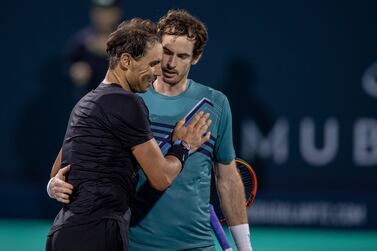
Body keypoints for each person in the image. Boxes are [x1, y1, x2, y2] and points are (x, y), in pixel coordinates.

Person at [49, 9, 253, 250]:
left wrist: (244, 247)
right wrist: (53, 184)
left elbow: (227, 179)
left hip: (196, 244)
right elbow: (71, 158)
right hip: (132, 242)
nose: (169, 64)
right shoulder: (126, 99)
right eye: (165, 53)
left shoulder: (216, 104)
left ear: (195, 58)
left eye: (182, 56)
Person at [66, 0, 123, 100]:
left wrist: (109, 51)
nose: (103, 17)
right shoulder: (81, 42)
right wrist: (76, 72)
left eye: (108, 12)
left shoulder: (130, 38)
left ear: (117, 12)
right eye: (99, 11)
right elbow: (69, 67)